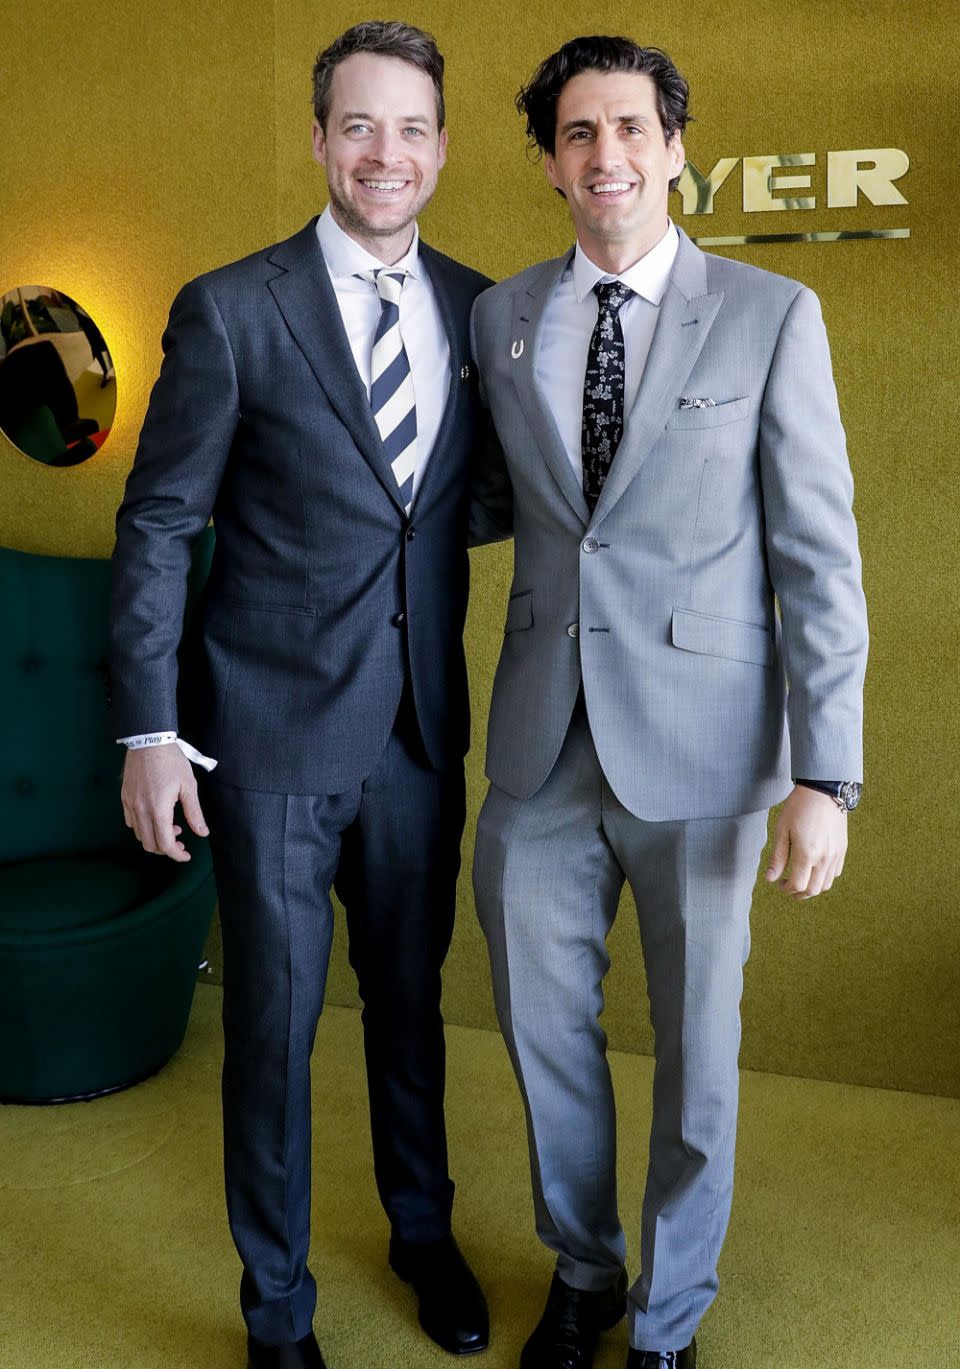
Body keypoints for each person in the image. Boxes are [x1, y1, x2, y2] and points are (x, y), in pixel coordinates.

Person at [109, 21, 504, 1369]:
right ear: (321, 139)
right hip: (265, 736)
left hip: (417, 731)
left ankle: (421, 1228)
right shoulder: (233, 307)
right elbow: (160, 521)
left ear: (441, 150)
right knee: (273, 1032)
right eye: (358, 124)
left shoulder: (482, 308)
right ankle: (277, 1307)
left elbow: (477, 501)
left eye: (410, 128)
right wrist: (151, 732)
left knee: (409, 1000)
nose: (384, 151)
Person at [470, 35, 868, 1369]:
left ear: (675, 146)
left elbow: (817, 554)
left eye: (631, 128)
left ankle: (671, 1320)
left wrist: (829, 775)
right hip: (539, 745)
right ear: (549, 163)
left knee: (698, 1056)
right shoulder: (501, 316)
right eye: (579, 134)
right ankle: (584, 1270)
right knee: (542, 1033)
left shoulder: (769, 315)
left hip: (707, 755)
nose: (607, 156)